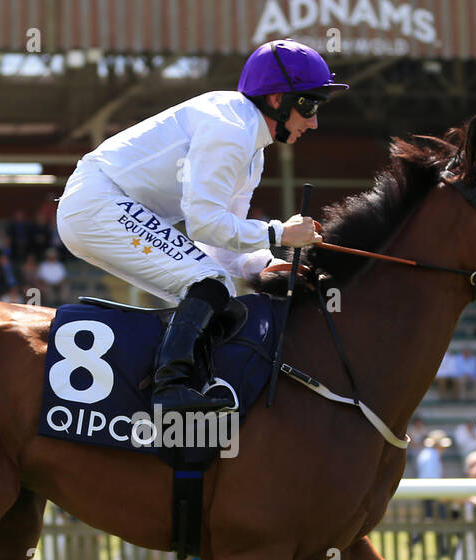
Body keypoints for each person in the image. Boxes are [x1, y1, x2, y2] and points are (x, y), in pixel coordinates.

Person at [56, 38, 344, 415]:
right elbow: (205, 224)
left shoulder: (252, 149)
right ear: (277, 99)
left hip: (105, 205)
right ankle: (170, 389)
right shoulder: (231, 130)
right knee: (210, 284)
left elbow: (224, 235)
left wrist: (261, 264)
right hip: (97, 202)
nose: (314, 121)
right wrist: (279, 233)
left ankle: (174, 382)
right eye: (309, 104)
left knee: (216, 295)